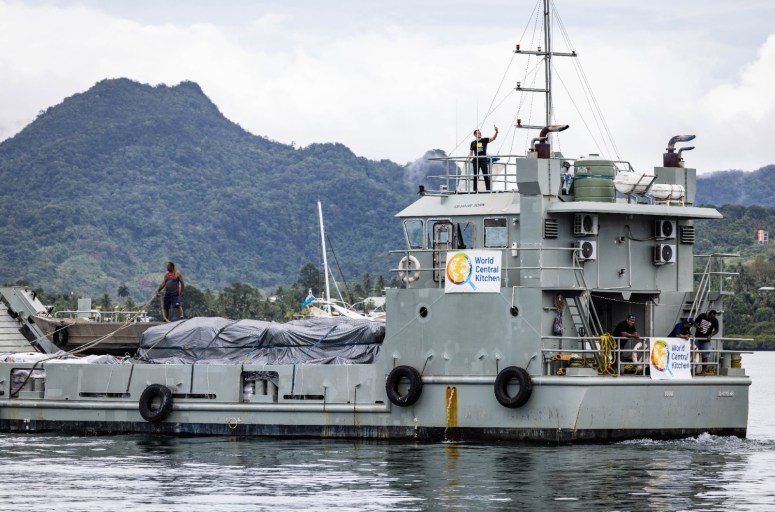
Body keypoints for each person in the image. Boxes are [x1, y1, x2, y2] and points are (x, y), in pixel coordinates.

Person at [468, 125, 498, 192]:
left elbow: (493, 138)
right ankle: (475, 189)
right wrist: (469, 158)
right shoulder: (473, 143)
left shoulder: (484, 140)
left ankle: (488, 189)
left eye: (480, 133)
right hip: (476, 160)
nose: (479, 134)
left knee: (486, 175)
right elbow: (471, 152)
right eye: (478, 133)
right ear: (475, 135)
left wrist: (496, 132)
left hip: (483, 159)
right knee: (476, 175)